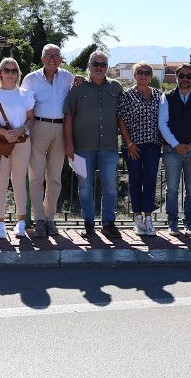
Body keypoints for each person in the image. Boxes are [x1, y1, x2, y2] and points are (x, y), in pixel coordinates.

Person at [64, 51, 124, 239]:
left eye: (103, 64)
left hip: (109, 147)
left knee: (110, 187)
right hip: (82, 147)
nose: (99, 67)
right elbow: (68, 117)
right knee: (85, 188)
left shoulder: (116, 87)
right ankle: (88, 224)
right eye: (95, 64)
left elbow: (122, 116)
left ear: (107, 67)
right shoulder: (77, 87)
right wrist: (69, 144)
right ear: (89, 65)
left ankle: (108, 223)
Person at [21, 44, 74, 238]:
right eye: (48, 56)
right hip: (38, 127)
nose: (52, 59)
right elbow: (20, 100)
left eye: (56, 56)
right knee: (35, 176)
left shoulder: (68, 77)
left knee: (54, 177)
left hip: (61, 128)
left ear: (61, 59)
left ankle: (50, 218)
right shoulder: (30, 79)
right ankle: (39, 219)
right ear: (42, 59)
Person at [0, 58, 34, 240]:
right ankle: (1, 223)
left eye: (14, 70)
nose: (11, 73)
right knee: (0, 182)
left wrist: (21, 129)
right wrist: (4, 133)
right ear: (0, 72)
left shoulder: (26, 94)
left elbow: (30, 118)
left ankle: (21, 222)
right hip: (0, 143)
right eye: (7, 69)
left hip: (21, 141)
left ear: (18, 74)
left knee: (19, 181)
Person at [158, 63, 191, 236]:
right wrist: (175, 144)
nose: (185, 79)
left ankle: (189, 223)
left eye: (189, 76)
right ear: (176, 77)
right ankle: (173, 222)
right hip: (172, 150)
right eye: (182, 76)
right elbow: (162, 123)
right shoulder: (167, 97)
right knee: (172, 188)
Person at [117, 62, 162, 236]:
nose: (143, 75)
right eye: (140, 72)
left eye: (147, 73)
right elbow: (120, 120)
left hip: (153, 144)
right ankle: (137, 219)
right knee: (135, 181)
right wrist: (128, 144)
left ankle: (148, 219)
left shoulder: (158, 95)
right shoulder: (127, 95)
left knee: (150, 181)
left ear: (151, 76)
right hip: (133, 145)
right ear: (134, 75)